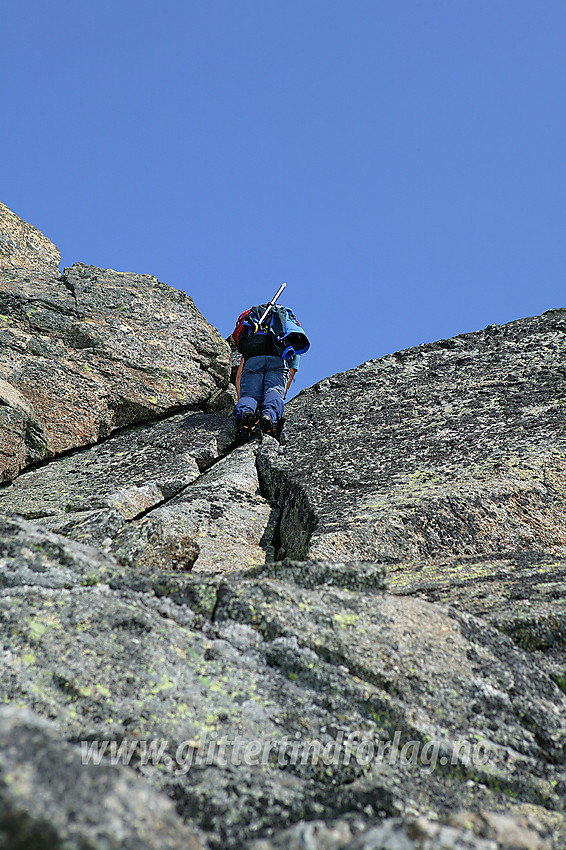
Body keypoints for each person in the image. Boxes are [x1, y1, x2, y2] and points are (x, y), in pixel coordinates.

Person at [233, 313, 300, 441]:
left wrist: (241, 401)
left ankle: (246, 414)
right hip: (278, 361)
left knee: (250, 395)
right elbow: (290, 376)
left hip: (253, 359)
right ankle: (268, 417)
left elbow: (239, 376)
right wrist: (280, 398)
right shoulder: (290, 335)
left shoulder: (256, 332)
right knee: (273, 391)